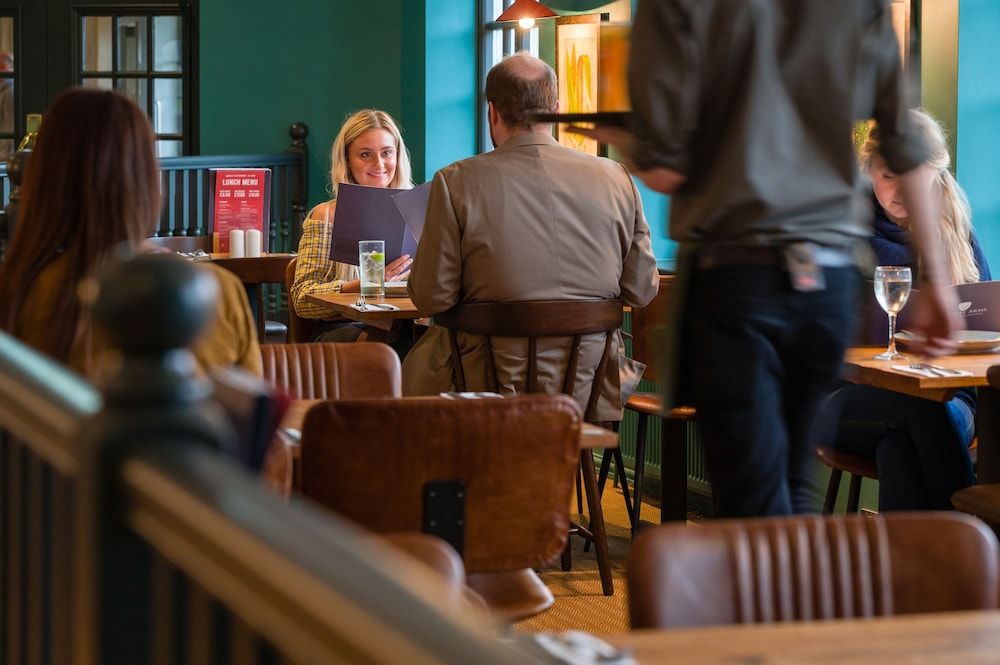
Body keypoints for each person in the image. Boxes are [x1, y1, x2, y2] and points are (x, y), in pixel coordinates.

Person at [572, 1, 960, 516]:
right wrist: (936, 280)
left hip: (737, 275)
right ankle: (801, 589)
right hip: (830, 276)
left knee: (752, 505)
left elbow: (665, 167)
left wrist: (623, 139)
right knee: (793, 488)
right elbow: (908, 142)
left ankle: (777, 590)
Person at [401, 52, 658, 422]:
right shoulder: (616, 178)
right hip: (585, 391)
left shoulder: (455, 182)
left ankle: (448, 478)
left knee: (410, 363)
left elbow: (431, 297)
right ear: (555, 108)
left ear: (492, 112)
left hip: (485, 386)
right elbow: (641, 290)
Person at [0, 88, 261, 379]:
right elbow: (257, 417)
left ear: (43, 180)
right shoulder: (217, 291)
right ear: (147, 180)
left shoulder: (17, 293)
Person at [825, 109, 989, 510]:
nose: (901, 190)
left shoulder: (957, 231)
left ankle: (912, 569)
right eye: (888, 176)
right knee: (923, 414)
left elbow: (987, 321)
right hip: (847, 394)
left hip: (950, 396)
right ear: (868, 170)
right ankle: (975, 550)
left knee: (900, 445)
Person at [289, 109, 414, 342]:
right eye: (366, 154)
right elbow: (301, 299)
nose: (379, 164)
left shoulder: (415, 214)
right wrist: (366, 283)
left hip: (401, 326)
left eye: (387, 153)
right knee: (392, 344)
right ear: (347, 160)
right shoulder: (325, 216)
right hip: (342, 330)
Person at [0, 51, 13, 159]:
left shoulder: (9, 92)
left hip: (5, 156)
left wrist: (4, 157)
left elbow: (9, 126)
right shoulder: (4, 90)